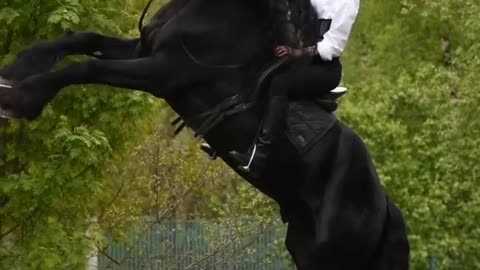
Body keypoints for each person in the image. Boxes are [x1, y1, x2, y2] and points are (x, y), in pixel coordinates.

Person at [229, 0, 360, 175]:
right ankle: (230, 133)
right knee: (257, 67)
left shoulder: (348, 2)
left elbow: (333, 47)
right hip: (299, 60)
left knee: (279, 83)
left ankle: (259, 156)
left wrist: (297, 53)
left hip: (322, 69)